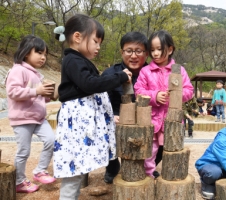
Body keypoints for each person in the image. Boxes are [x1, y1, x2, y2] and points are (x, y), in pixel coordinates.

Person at [52, 14, 132, 199]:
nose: (98, 47)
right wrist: (119, 76)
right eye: (96, 41)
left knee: (77, 169)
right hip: (76, 128)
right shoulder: (73, 61)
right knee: (73, 171)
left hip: (83, 126)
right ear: (78, 37)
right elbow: (91, 84)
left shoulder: (79, 61)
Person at [134, 30, 194, 177]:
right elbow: (138, 91)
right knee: (150, 151)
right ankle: (148, 175)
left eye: (159, 49)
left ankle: (171, 178)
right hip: (152, 120)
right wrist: (154, 96)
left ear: (170, 49)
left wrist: (176, 95)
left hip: (172, 119)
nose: (155, 53)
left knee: (172, 150)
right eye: (152, 50)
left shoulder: (179, 70)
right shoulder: (146, 71)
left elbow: (189, 90)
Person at [5, 35, 56, 193]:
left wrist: (47, 94)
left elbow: (39, 98)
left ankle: (40, 170)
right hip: (22, 119)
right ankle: (19, 181)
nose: (43, 57)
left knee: (51, 141)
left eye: (45, 54)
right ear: (26, 52)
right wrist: (37, 90)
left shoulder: (36, 74)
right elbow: (13, 92)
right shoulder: (18, 70)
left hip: (39, 119)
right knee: (24, 151)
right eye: (39, 52)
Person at [101, 31, 150, 182]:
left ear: (146, 54)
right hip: (116, 119)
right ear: (122, 52)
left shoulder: (151, 73)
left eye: (138, 51)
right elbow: (101, 101)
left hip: (145, 120)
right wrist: (109, 116)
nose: (133, 56)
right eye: (129, 51)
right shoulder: (110, 73)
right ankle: (112, 165)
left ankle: (147, 165)